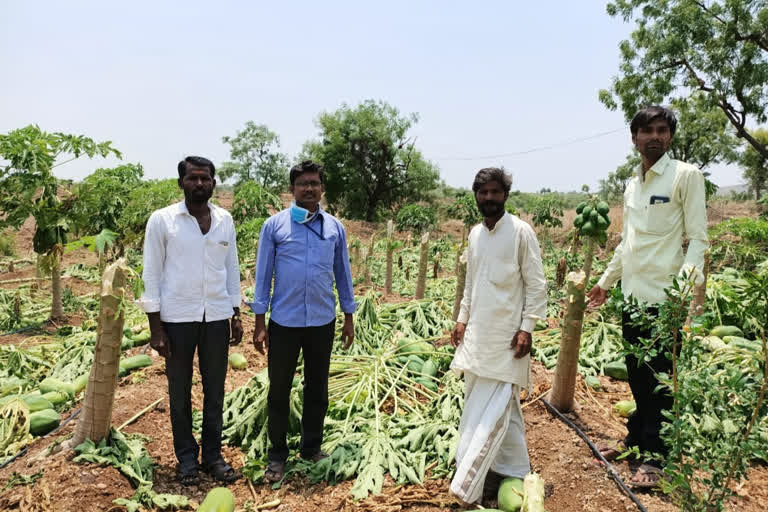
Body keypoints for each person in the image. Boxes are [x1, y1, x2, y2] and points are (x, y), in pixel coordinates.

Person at [587, 106, 708, 488]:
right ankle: (636, 440)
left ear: (670, 136)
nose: (654, 136)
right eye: (647, 131)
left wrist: (682, 293)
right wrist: (606, 282)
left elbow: (698, 239)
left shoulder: (685, 177)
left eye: (662, 130)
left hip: (664, 300)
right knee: (639, 377)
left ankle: (656, 458)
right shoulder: (633, 184)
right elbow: (628, 243)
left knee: (660, 381)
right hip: (634, 298)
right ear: (634, 138)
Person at [140, 156, 243, 486]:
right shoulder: (163, 221)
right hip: (177, 319)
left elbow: (231, 270)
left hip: (215, 316)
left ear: (214, 183)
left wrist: (235, 313)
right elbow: (152, 274)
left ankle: (212, 456)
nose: (200, 184)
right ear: (181, 183)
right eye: (193, 178)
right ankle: (186, 459)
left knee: (215, 392)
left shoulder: (224, 220)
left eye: (206, 179)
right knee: (179, 392)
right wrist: (156, 328)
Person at [250, 160, 356, 482]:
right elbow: (263, 275)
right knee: (279, 390)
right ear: (292, 189)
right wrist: (259, 321)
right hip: (284, 322)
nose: (309, 188)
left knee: (317, 390)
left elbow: (343, 274)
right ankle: (277, 456)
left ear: (322, 188)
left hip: (322, 322)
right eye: (302, 184)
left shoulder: (334, 228)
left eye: (314, 183)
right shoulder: (275, 227)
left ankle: (311, 447)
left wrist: (349, 317)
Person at [449, 167, 547, 506]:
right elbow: (470, 285)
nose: (488, 198)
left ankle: (477, 479)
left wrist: (527, 328)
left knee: (499, 408)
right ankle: (508, 470)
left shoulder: (521, 233)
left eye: (494, 192)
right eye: (483, 192)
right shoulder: (475, 235)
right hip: (477, 338)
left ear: (505, 195)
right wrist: (461, 320)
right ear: (476, 195)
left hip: (508, 341)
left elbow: (536, 285)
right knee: (480, 406)